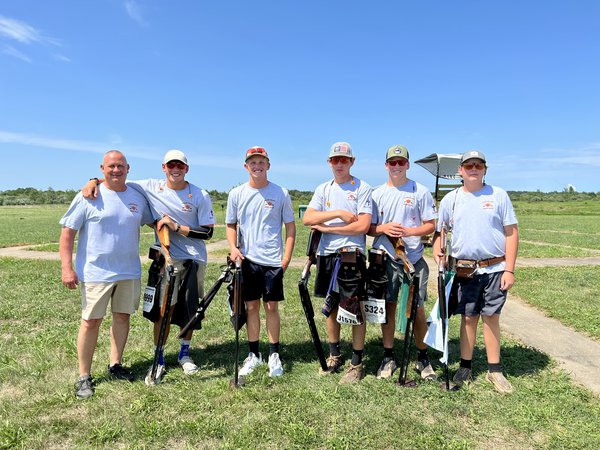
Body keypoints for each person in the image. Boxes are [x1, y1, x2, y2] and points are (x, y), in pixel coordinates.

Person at [82, 149, 215, 383]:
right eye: (171, 165)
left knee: (189, 309)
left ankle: (185, 353)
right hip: (166, 259)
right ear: (164, 168)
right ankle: (160, 355)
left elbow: (208, 232)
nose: (176, 169)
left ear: (187, 169)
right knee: (163, 311)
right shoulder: (150, 186)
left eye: (180, 166)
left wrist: (178, 228)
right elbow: (115, 178)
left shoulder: (199, 194)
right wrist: (93, 180)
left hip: (195, 259)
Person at [60, 150, 154, 399]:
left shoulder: (137, 197)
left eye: (120, 166)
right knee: (91, 322)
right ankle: (83, 376)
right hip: (96, 272)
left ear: (128, 168)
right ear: (102, 168)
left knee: (122, 317)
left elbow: (154, 220)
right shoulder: (88, 196)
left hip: (128, 271)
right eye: (111, 166)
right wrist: (67, 268)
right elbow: (68, 233)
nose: (116, 170)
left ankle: (116, 365)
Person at [433, 150, 518, 393]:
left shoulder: (498, 195)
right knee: (468, 317)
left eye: (478, 166)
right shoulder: (451, 199)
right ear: (460, 170)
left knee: (491, 317)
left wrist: (509, 270)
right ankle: (465, 367)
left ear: (484, 170)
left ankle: (495, 371)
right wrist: (438, 251)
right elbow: (442, 232)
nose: (473, 169)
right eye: (468, 165)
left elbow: (511, 233)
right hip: (464, 269)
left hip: (495, 268)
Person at [302, 142, 372, 383]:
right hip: (326, 255)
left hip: (351, 254)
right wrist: (338, 214)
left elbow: (362, 226)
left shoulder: (361, 187)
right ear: (329, 162)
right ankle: (334, 355)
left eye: (344, 160)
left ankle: (357, 362)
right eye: (335, 160)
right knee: (331, 307)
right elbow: (308, 218)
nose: (339, 164)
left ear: (352, 162)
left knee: (354, 307)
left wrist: (327, 228)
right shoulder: (324, 189)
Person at [226, 146, 296, 378]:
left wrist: (286, 257)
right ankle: (254, 354)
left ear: (268, 165)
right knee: (252, 307)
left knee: (272, 307)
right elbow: (231, 225)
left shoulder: (280, 193)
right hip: (248, 260)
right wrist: (234, 248)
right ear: (246, 166)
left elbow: (290, 227)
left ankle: (274, 353)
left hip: (273, 260)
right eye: (253, 163)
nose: (257, 166)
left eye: (261, 162)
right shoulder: (237, 194)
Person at [369, 145, 437, 380]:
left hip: (414, 260)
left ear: (407, 165)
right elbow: (368, 227)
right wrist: (383, 228)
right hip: (386, 258)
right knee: (387, 307)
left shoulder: (421, 191)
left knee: (417, 309)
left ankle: (422, 357)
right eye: (392, 162)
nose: (396, 166)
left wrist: (409, 231)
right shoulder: (376, 194)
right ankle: (388, 356)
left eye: (401, 162)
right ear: (386, 165)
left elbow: (431, 224)